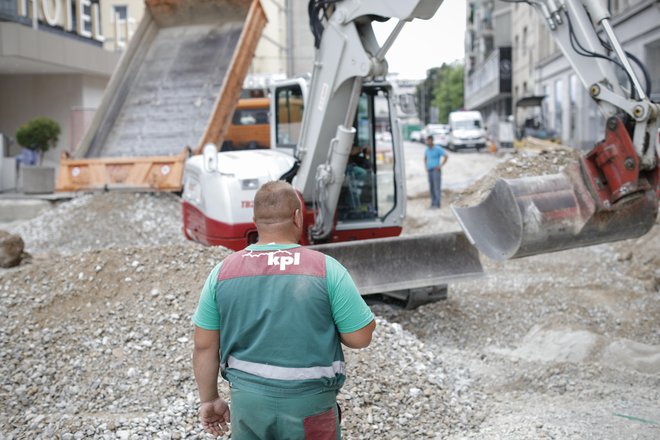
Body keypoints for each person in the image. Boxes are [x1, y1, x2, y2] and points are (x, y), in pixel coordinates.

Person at [192, 180, 376, 439]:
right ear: (298, 217)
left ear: (254, 220)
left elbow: (204, 345)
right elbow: (360, 337)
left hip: (249, 405)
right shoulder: (326, 269)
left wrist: (209, 399)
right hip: (310, 406)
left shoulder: (222, 272)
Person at [424, 135, 449, 208]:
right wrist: (426, 166)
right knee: (431, 187)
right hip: (430, 170)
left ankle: (437, 204)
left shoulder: (437, 148)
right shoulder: (427, 149)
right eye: (427, 140)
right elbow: (425, 158)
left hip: (436, 170)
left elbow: (446, 156)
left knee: (436, 187)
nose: (428, 142)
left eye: (429, 140)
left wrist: (440, 165)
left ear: (432, 140)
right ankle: (433, 203)